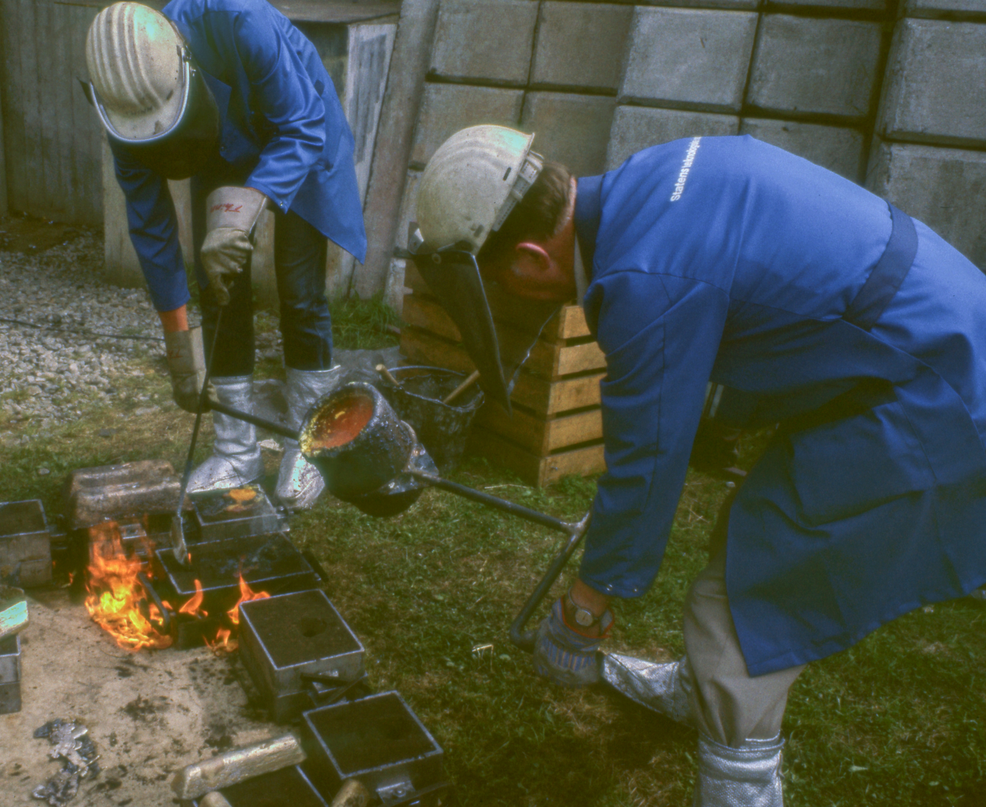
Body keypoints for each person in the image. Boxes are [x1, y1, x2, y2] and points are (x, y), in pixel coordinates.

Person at [410, 125, 986, 805]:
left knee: (743, 602)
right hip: (936, 332)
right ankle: (700, 689)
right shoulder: (650, 180)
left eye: (504, 278)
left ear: (534, 258)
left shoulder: (643, 278)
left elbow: (646, 461)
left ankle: (741, 771)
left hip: (937, 388)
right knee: (754, 521)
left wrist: (586, 609)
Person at [83, 1, 366, 510]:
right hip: (219, 144)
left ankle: (308, 447)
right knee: (218, 291)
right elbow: (150, 226)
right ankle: (237, 452)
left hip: (298, 131)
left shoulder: (240, 19)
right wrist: (179, 348)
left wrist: (237, 218)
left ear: (181, 59)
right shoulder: (122, 107)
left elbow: (302, 125)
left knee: (300, 294)